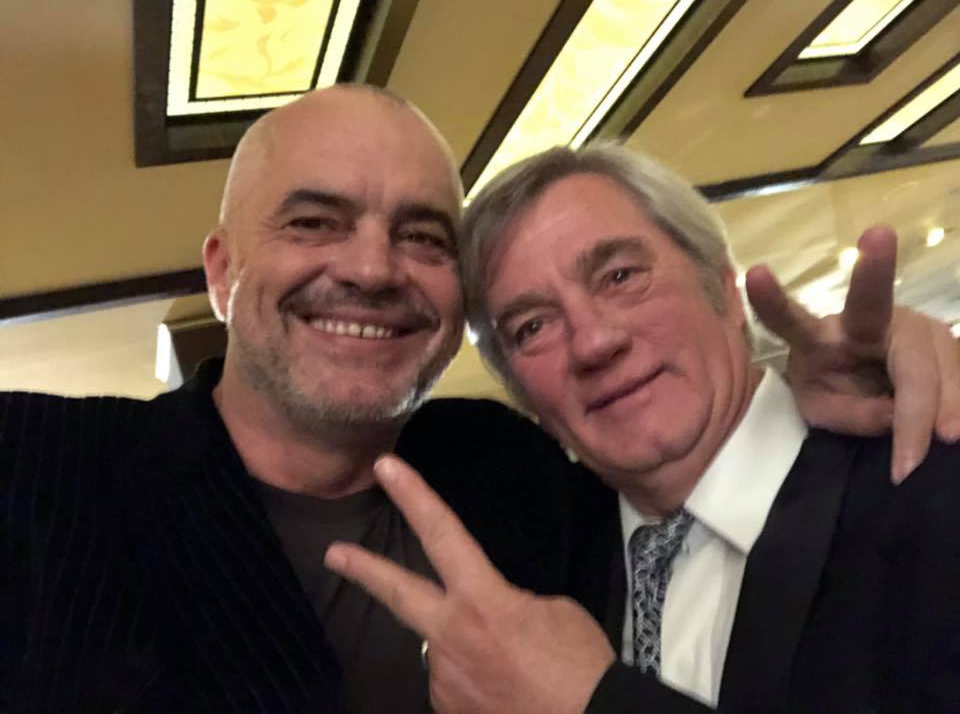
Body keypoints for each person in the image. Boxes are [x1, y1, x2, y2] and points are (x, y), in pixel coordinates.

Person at [1, 85, 956, 713]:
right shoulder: (33, 469)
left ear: (718, 279)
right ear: (221, 272)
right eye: (315, 221)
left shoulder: (503, 470)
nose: (372, 269)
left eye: (422, 236)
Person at [327, 142, 960, 713]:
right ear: (522, 394)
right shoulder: (553, 561)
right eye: (532, 327)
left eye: (621, 276)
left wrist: (594, 703)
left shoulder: (931, 490)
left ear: (723, 288)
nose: (593, 342)